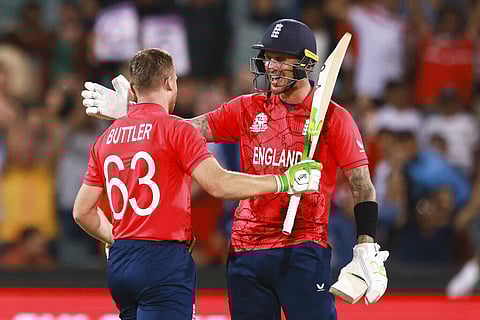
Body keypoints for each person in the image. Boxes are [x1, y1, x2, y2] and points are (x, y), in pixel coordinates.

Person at [81, 19, 389, 320]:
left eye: (280, 59)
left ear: (305, 63)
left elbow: (361, 183)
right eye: (267, 58)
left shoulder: (334, 118)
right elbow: (187, 130)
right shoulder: (247, 108)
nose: (271, 66)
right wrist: (134, 113)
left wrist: (366, 243)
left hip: (302, 247)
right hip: (246, 251)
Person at [73, 48, 322, 320]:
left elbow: (82, 212)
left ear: (133, 89)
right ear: (169, 82)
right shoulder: (178, 131)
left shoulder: (106, 139)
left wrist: (119, 239)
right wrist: (284, 181)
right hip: (163, 260)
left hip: (121, 263)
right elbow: (218, 184)